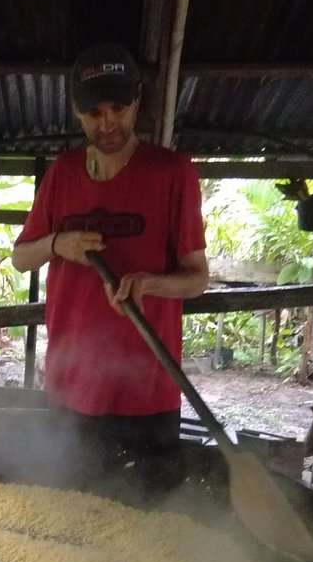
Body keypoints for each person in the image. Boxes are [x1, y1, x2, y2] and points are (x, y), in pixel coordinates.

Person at [12, 43, 208, 455]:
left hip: (147, 390)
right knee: (67, 507)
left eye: (118, 109)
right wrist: (57, 244)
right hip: (71, 386)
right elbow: (20, 257)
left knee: (143, 512)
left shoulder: (173, 173)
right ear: (77, 112)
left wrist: (148, 284)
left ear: (137, 102)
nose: (108, 124)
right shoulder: (61, 174)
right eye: (95, 113)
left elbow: (197, 278)